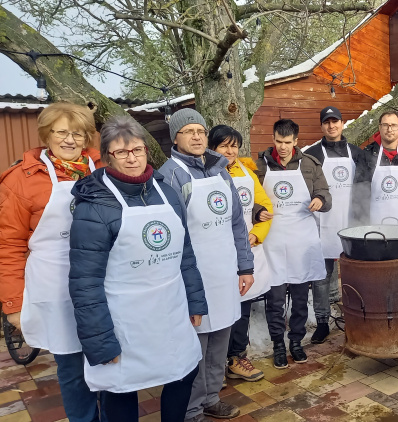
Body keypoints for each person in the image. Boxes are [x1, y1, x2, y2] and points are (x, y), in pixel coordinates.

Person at [69, 116, 205, 422]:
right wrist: (100, 339)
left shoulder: (165, 192)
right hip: (123, 318)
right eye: (122, 152)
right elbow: (85, 281)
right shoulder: (96, 204)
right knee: (120, 387)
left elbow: (185, 252)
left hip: (170, 309)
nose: (132, 158)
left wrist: (195, 301)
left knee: (184, 371)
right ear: (107, 157)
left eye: (138, 150)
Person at [0, 102, 101, 422]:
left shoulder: (103, 170)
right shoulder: (21, 179)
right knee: (72, 368)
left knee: (111, 360)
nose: (70, 140)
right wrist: (14, 304)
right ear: (47, 134)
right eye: (61, 132)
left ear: (87, 138)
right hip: (54, 286)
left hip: (104, 281)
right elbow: (8, 245)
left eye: (78, 133)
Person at [159, 109, 254, 422]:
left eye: (201, 130)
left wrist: (245, 267)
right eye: (189, 131)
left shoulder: (220, 170)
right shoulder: (170, 175)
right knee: (196, 345)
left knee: (220, 338)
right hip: (194, 277)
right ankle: (190, 409)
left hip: (224, 272)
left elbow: (238, 224)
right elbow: (171, 234)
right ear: (176, 138)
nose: (197, 137)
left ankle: (212, 397)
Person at [255, 119, 331, 370]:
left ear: (296, 141)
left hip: (302, 240)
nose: (283, 147)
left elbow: (326, 195)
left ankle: (296, 342)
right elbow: (249, 199)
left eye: (288, 142)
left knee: (299, 297)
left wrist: (320, 199)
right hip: (273, 241)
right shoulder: (260, 165)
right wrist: (257, 212)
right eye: (279, 141)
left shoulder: (310, 164)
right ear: (273, 138)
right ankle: (278, 344)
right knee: (275, 298)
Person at [207, 125, 271, 383]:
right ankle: (213, 368)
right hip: (218, 252)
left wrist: (257, 233)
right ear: (213, 148)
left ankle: (236, 358)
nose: (230, 151)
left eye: (234, 146)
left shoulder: (247, 172)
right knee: (218, 308)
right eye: (224, 146)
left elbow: (264, 205)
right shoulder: (207, 174)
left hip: (246, 250)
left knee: (243, 306)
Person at [304, 106, 363, 344]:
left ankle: (357, 317)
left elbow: (368, 184)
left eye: (335, 121)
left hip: (352, 223)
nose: (332, 126)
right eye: (327, 122)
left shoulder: (357, 153)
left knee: (355, 275)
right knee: (321, 277)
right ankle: (322, 322)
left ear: (342, 123)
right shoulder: (312, 154)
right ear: (322, 126)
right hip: (322, 224)